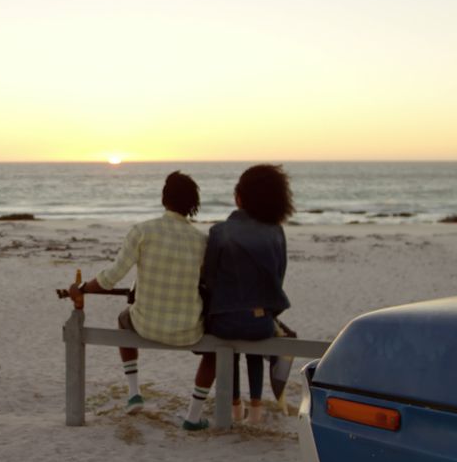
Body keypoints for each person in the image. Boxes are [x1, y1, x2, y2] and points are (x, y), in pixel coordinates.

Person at [70, 171, 206, 423]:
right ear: (192, 204)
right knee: (214, 350)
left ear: (164, 199)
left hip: (145, 325)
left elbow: (111, 277)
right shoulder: (202, 240)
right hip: (189, 329)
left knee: (123, 318)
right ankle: (193, 417)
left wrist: (83, 287)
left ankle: (134, 393)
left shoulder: (143, 231)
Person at [183, 164, 294, 429]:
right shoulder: (276, 232)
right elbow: (278, 278)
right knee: (255, 346)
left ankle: (235, 407)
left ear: (240, 197)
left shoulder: (220, 232)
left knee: (229, 347)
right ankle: (256, 409)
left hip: (224, 320)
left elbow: (209, 278)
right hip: (260, 322)